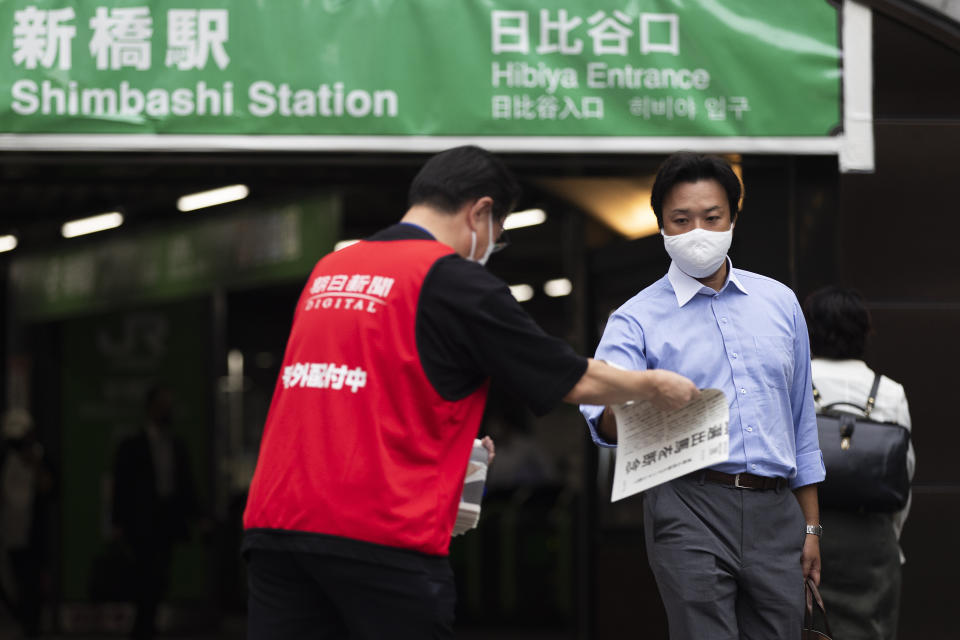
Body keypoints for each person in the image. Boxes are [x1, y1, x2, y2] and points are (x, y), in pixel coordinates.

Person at [242, 145, 699, 640]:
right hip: (378, 533)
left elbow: (355, 393)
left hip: (277, 527)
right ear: (480, 212)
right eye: (496, 239)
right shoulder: (450, 278)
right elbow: (570, 377)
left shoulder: (331, 270)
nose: (489, 250)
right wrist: (651, 383)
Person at [580, 152, 825, 640]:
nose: (698, 231)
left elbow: (801, 422)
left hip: (777, 511)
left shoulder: (779, 303)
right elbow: (602, 418)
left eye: (712, 218)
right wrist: (645, 392)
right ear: (662, 228)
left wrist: (812, 527)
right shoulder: (636, 317)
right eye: (681, 219)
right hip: (686, 502)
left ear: (734, 217)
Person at [804, 285, 914, 640]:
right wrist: (888, 536)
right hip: (872, 540)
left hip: (806, 534)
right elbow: (904, 474)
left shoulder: (796, 381)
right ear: (864, 332)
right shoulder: (890, 391)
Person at [112, 384, 198, 640]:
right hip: (140, 521)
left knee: (160, 575)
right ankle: (143, 626)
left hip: (166, 519)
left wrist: (196, 516)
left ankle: (146, 625)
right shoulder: (132, 445)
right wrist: (118, 522)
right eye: (162, 405)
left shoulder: (175, 444)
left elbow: (185, 484)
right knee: (143, 574)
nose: (167, 410)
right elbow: (122, 486)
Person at [0, 409, 54, 638]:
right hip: (8, 534)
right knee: (12, 585)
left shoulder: (38, 457)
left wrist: (34, 464)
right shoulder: (4, 460)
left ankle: (31, 626)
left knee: (32, 586)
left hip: (32, 534)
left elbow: (49, 488)